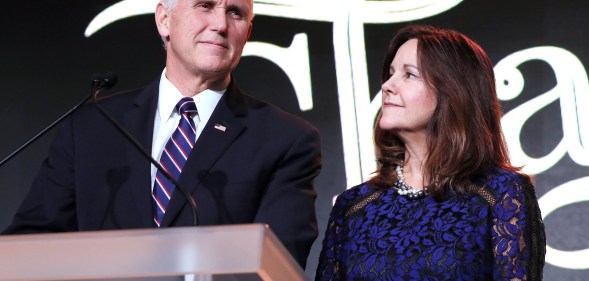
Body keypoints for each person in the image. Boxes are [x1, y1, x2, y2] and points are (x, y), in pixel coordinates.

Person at [3, 0, 322, 268]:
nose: (221, 25)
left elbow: (278, 263)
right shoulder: (91, 126)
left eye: (235, 12)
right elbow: (27, 246)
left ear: (247, 33)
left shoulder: (286, 139)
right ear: (164, 20)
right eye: (205, 5)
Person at [315, 25, 546, 280]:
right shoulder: (353, 206)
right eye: (390, 74)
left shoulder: (501, 194)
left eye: (409, 75)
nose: (387, 86)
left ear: (453, 91)